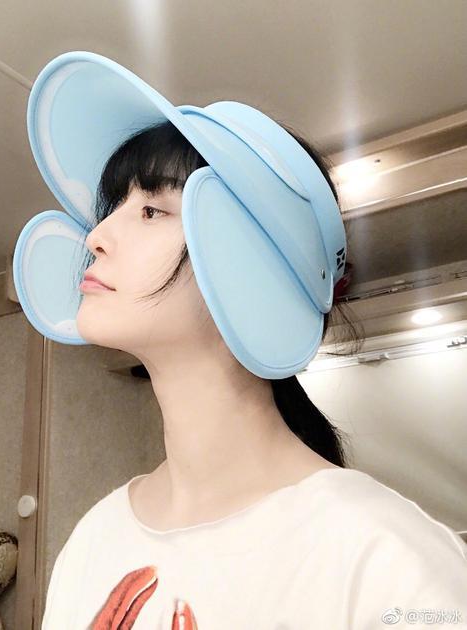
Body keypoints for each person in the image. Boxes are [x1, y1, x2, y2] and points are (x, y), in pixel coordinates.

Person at [38, 118, 467, 629]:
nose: (96, 236)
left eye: (152, 210)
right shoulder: (94, 536)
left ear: (254, 267)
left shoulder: (386, 556)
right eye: (115, 207)